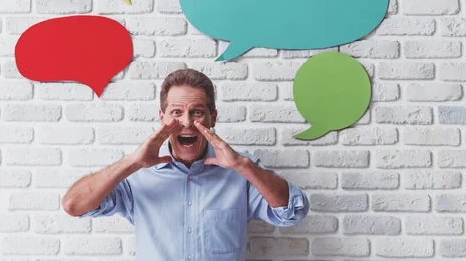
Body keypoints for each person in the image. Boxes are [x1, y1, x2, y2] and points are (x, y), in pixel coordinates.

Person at [63, 69, 309, 261]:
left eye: (197, 112)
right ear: (162, 117)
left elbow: (292, 212)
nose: (187, 123)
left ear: (213, 116)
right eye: (177, 112)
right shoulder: (137, 176)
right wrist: (133, 162)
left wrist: (243, 166)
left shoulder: (241, 171)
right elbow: (74, 205)